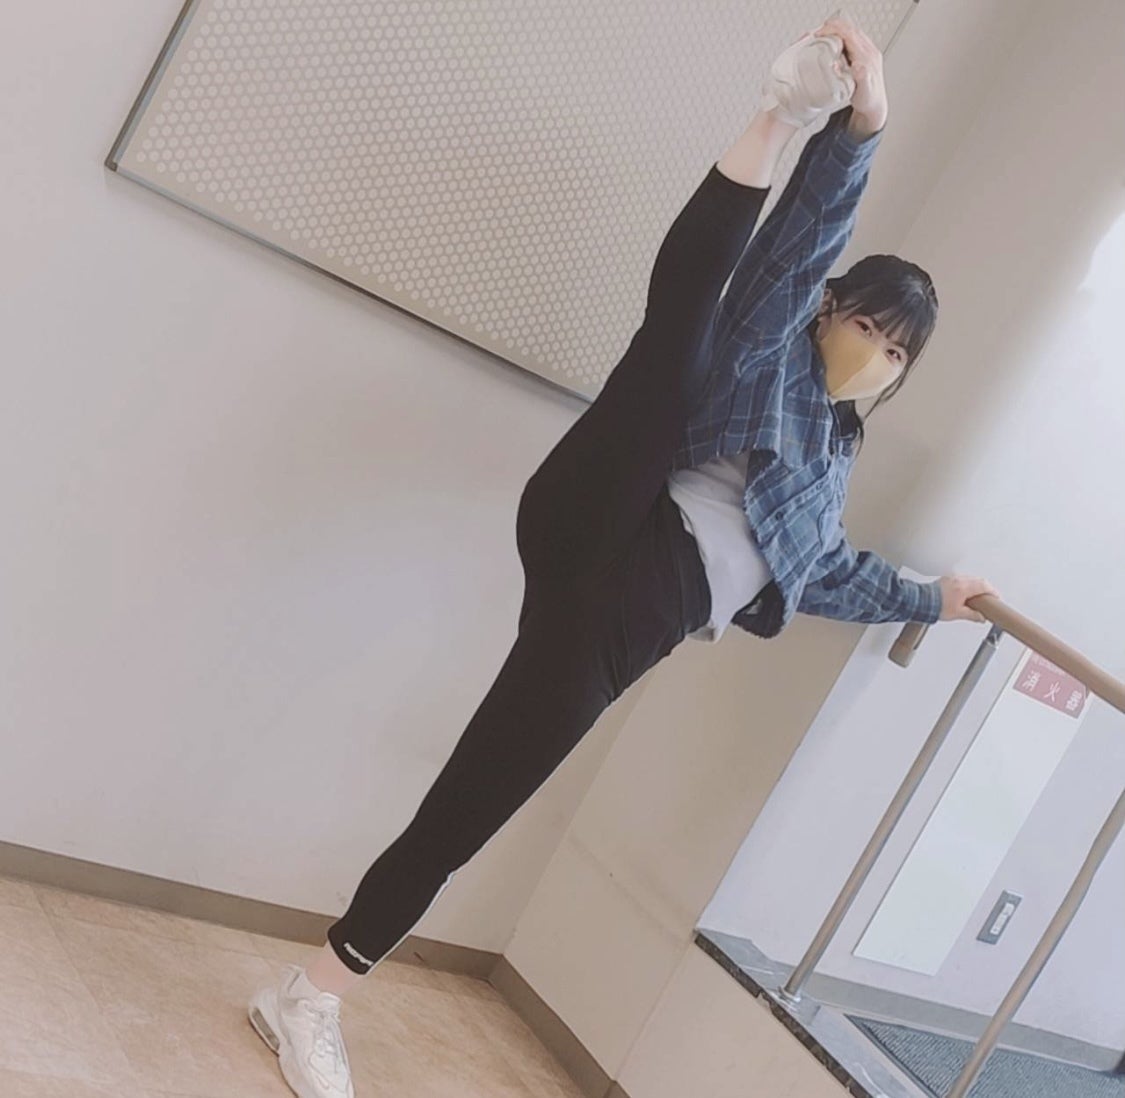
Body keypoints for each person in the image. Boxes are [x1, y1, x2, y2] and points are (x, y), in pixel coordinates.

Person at [247, 16, 999, 1097]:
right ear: (830, 309)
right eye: (866, 326)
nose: (872, 355)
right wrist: (858, 128)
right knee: (680, 343)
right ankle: (779, 113)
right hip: (611, 522)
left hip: (623, 630)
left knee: (470, 804)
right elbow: (794, 247)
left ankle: (310, 992)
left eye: (895, 351)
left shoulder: (833, 458)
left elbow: (829, 574)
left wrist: (930, 600)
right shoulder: (774, 351)